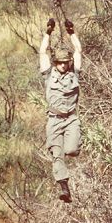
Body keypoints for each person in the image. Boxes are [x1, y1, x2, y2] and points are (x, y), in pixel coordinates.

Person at [39, 18, 82, 203]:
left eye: (66, 62)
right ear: (55, 62)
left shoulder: (75, 73)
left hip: (71, 118)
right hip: (54, 120)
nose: (63, 65)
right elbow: (42, 52)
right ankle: (64, 187)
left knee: (71, 150)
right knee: (57, 154)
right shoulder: (49, 73)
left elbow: (79, 51)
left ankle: (70, 149)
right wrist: (48, 33)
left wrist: (71, 33)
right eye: (60, 62)